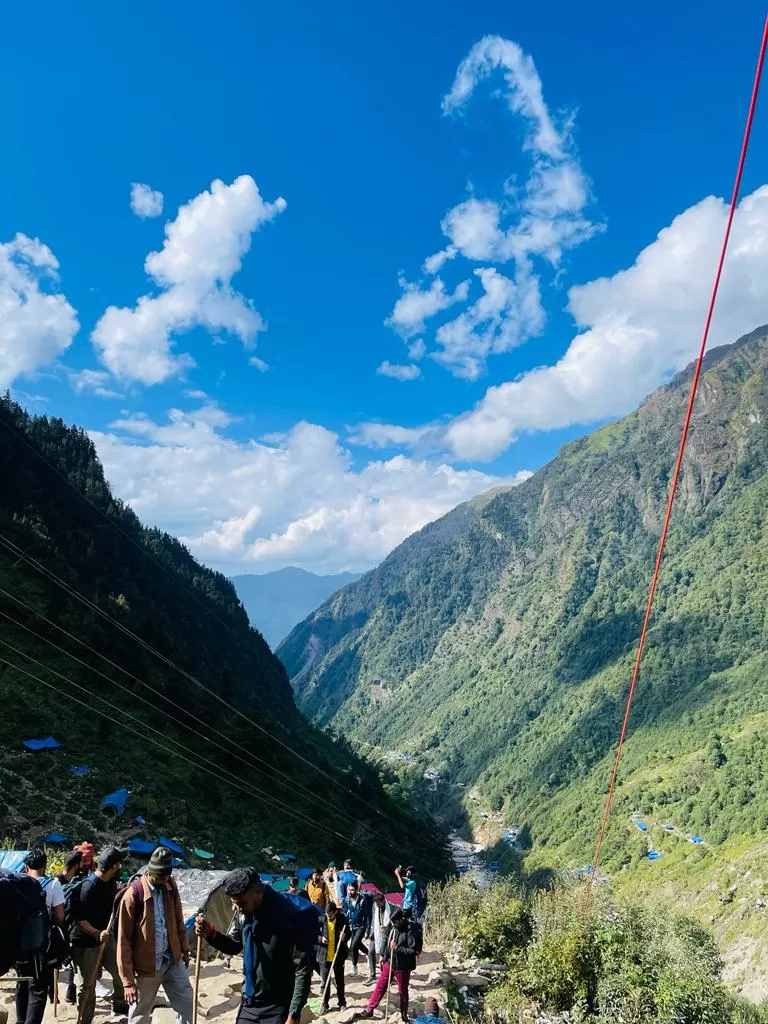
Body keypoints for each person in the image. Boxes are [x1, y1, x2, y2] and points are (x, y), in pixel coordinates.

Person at [195, 867, 312, 1024]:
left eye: (242, 903)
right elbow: (234, 946)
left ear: (258, 892)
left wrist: (294, 1014)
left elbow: (303, 968)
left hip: (278, 1006)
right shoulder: (244, 913)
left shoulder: (287, 917)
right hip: (250, 1001)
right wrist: (211, 934)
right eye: (234, 903)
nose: (238, 908)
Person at [116, 847, 193, 1024]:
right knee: (140, 1012)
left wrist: (184, 949)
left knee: (187, 1001)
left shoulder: (170, 886)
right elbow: (123, 941)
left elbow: (178, 919)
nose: (164, 881)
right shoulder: (133, 895)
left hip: (171, 959)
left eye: (167, 877)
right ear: (151, 873)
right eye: (161, 878)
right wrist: (128, 982)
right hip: (147, 967)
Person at [70, 846, 129, 1024]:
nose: (120, 867)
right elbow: (80, 920)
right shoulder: (88, 887)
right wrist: (97, 934)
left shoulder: (110, 882)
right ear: (113, 866)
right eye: (118, 864)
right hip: (86, 942)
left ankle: (119, 1003)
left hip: (105, 938)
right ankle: (84, 1020)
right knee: (88, 986)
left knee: (120, 971)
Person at [15, 849, 66, 1024]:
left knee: (22, 983)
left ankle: (20, 1021)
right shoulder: (53, 884)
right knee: (38, 988)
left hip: (18, 945)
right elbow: (60, 916)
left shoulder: (17, 883)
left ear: (26, 866)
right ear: (45, 865)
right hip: (41, 946)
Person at [358, 910, 421, 1023]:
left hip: (403, 966)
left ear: (401, 920)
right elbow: (385, 939)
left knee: (402, 990)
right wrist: (382, 954)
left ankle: (403, 1013)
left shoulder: (410, 930)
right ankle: (370, 1009)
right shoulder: (392, 926)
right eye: (392, 923)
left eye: (395, 922)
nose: (393, 925)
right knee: (380, 985)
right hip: (390, 961)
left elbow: (413, 951)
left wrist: (397, 948)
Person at [56, 850, 84, 1004]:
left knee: (73, 963)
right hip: (59, 931)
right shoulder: (57, 883)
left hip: (70, 930)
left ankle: (70, 994)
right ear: (75, 865)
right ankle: (54, 993)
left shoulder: (71, 881)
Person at [318, 901, 348, 1014]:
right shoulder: (321, 920)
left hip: (338, 955)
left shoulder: (342, 920)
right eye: (327, 914)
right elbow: (315, 935)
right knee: (325, 982)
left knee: (340, 981)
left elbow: (349, 933)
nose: (329, 916)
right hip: (324, 956)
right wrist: (321, 939)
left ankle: (342, 1003)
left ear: (335, 912)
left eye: (330, 914)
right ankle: (325, 1004)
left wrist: (344, 936)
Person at [341, 881, 371, 978]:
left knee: (353, 946)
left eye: (352, 890)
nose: (350, 892)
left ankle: (354, 967)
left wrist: (367, 929)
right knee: (357, 943)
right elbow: (345, 913)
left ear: (357, 890)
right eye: (349, 890)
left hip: (361, 926)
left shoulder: (363, 901)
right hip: (352, 926)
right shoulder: (347, 900)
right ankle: (369, 954)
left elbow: (368, 916)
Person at [367, 892, 391, 983]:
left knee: (384, 955)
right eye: (376, 903)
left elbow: (391, 921)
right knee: (370, 952)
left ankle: (385, 976)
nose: (377, 905)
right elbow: (373, 919)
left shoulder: (389, 908)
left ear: (383, 901)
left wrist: (385, 927)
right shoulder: (375, 906)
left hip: (385, 935)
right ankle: (372, 975)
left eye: (378, 903)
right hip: (375, 932)